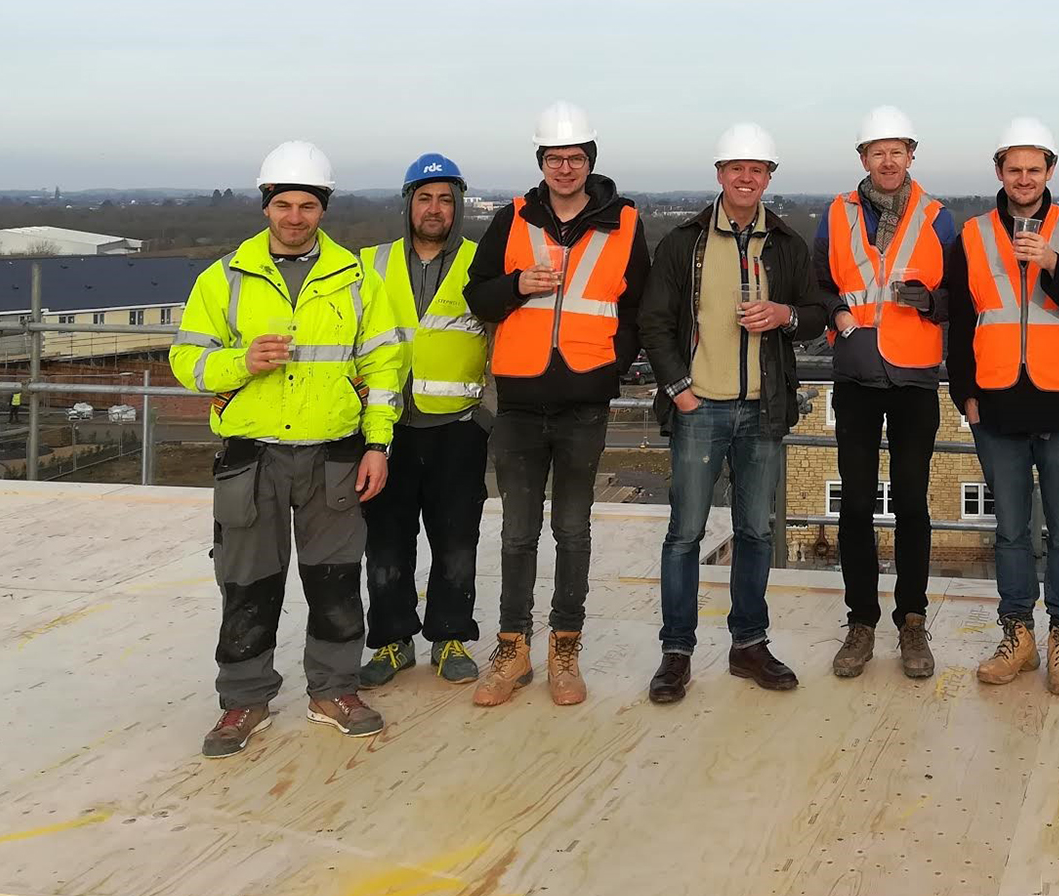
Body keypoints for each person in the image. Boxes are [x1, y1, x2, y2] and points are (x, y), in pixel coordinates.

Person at [170, 141, 406, 758]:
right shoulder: (223, 279)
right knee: (247, 580)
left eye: (307, 205)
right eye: (283, 204)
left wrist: (378, 444)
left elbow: (385, 368)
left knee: (334, 579)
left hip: (334, 453)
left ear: (323, 209)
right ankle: (244, 700)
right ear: (265, 206)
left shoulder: (356, 279)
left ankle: (334, 691)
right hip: (252, 456)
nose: (294, 217)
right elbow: (185, 363)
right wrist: (237, 362)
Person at [640, 122, 834, 704]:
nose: (747, 178)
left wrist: (785, 316)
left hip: (762, 411)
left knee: (755, 532)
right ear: (720, 174)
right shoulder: (684, 244)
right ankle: (676, 654)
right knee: (685, 536)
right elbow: (652, 321)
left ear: (769, 177)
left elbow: (819, 312)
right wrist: (679, 388)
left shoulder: (787, 244)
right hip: (699, 407)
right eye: (736, 168)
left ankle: (748, 645)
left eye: (758, 169)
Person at [463, 102, 649, 708]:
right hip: (518, 402)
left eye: (573, 158)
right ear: (540, 163)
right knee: (518, 532)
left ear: (589, 161)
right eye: (553, 158)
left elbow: (638, 308)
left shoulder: (623, 221)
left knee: (572, 529)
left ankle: (564, 646)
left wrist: (611, 367)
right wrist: (517, 285)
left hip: (582, 403)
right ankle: (512, 646)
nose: (564, 168)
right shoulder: (512, 218)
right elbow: (479, 298)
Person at [946, 117, 1059, 695]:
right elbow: (962, 319)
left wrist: (1053, 266)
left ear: (1049, 172)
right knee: (1011, 530)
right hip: (997, 403)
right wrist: (965, 392)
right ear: (999, 172)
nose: (1023, 178)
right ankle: (1018, 635)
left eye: (1033, 169)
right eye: (1013, 169)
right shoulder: (970, 234)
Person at [813, 105, 960, 681]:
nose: (888, 159)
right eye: (877, 151)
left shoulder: (938, 218)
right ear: (862, 159)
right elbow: (818, 282)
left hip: (914, 377)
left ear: (911, 155)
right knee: (854, 504)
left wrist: (932, 304)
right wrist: (835, 313)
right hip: (854, 374)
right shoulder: (836, 214)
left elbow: (959, 295)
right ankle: (861, 621)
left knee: (912, 504)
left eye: (897, 149)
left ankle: (912, 620)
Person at [357, 153, 489, 690]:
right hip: (385, 432)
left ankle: (450, 635)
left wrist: (486, 416)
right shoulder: (370, 263)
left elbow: (501, 341)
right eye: (424, 198)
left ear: (456, 207)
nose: (434, 209)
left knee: (457, 539)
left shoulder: (482, 264)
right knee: (386, 541)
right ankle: (392, 641)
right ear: (407, 204)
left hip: (457, 428)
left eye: (445, 200)